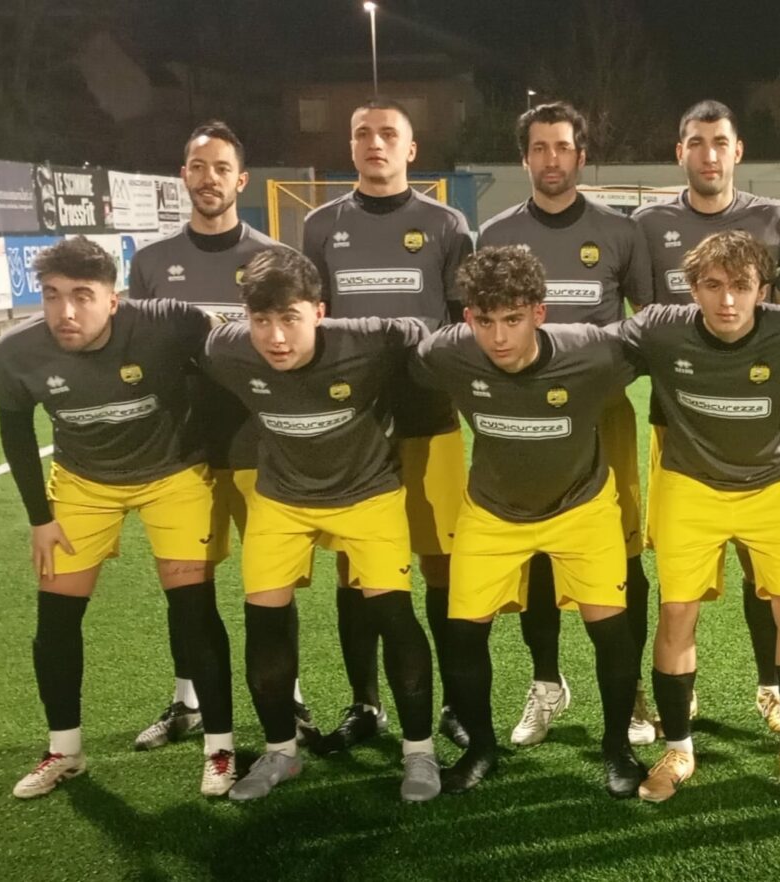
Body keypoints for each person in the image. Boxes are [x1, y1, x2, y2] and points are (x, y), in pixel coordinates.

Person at [0, 237, 236, 799]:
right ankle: (64, 750)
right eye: (52, 295)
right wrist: (39, 518)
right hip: (83, 483)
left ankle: (220, 749)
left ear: (113, 298)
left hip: (174, 476)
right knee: (55, 618)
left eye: (82, 296)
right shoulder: (15, 353)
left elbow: (231, 361)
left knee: (193, 610)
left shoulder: (168, 322)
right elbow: (15, 430)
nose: (66, 311)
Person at [200, 247, 438, 802]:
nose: (276, 337)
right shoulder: (225, 347)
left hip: (368, 495)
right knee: (263, 620)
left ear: (319, 312)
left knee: (395, 616)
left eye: (290, 318)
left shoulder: (369, 339)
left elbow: (420, 333)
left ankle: (420, 752)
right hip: (282, 499)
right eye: (262, 320)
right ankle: (281, 753)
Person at [410, 246, 647, 797]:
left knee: (610, 629)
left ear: (539, 313)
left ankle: (617, 748)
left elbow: (658, 343)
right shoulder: (447, 353)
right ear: (467, 317)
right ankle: (481, 749)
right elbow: (399, 360)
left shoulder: (593, 351)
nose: (499, 337)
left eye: (513, 319)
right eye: (485, 321)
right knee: (463, 631)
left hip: (582, 506)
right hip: (492, 511)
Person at [126, 120, 314, 751]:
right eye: (198, 167)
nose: (210, 179)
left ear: (242, 180)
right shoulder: (151, 263)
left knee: (272, 582)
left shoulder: (276, 260)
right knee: (188, 584)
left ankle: (289, 697)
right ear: (184, 175)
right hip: (182, 452)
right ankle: (189, 700)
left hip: (260, 445)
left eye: (222, 168)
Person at [615, 231, 780, 805]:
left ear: (763, 290)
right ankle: (678, 749)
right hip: (690, 485)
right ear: (692, 288)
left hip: (774, 485)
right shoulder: (661, 327)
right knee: (677, 611)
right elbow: (587, 345)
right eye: (712, 285)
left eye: (741, 286)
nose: (727, 300)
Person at [476, 100, 656, 747]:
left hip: (603, 421)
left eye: (562, 147)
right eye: (539, 148)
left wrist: (599, 378)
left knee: (625, 557)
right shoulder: (495, 232)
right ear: (524, 157)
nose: (551, 159)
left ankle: (630, 690)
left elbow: (647, 327)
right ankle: (547, 682)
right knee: (538, 555)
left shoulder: (620, 232)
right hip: (523, 426)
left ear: (581, 155)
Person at [300, 100, 474, 751]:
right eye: (363, 133)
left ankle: (455, 703)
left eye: (388, 134)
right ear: (351, 147)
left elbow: (461, 327)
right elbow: (311, 322)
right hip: (353, 425)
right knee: (357, 568)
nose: (375, 143)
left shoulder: (447, 224)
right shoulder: (320, 226)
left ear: (411, 149)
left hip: (429, 416)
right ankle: (365, 704)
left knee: (441, 563)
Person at [631, 100, 780, 735]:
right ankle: (677, 698)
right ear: (680, 151)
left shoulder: (775, 218)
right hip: (678, 423)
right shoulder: (647, 224)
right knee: (680, 580)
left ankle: (773, 686)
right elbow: (643, 318)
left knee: (771, 576)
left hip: (758, 422)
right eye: (697, 142)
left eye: (721, 142)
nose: (710, 154)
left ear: (738, 150)